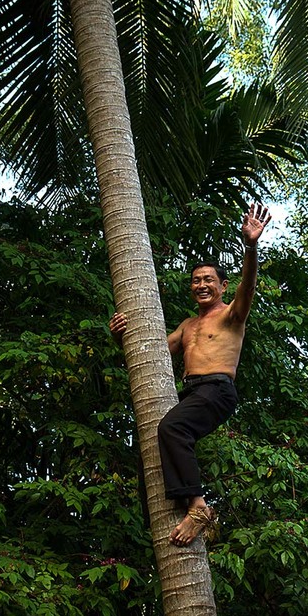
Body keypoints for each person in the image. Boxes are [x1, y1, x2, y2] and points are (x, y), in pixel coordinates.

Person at [109, 202, 271, 546]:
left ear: (222, 286)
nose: (201, 285)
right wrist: (120, 334)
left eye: (208, 280)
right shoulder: (187, 326)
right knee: (153, 445)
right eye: (196, 280)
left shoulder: (231, 316)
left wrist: (251, 246)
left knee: (172, 427)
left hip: (217, 388)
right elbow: (150, 354)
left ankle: (198, 506)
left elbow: (249, 287)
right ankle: (160, 512)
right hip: (193, 391)